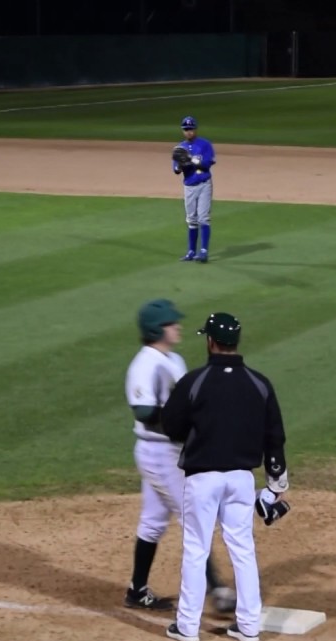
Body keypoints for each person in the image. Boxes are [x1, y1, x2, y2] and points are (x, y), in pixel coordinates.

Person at [160, 312, 291, 641]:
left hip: (203, 479)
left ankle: (187, 627)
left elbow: (170, 427)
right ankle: (248, 627)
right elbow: (274, 438)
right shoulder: (259, 383)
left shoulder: (195, 381)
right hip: (241, 480)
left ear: (210, 341)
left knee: (196, 549)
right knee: (243, 549)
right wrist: (276, 485)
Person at [123, 299, 236, 613]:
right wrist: (184, 425)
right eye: (172, 323)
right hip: (158, 453)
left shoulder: (173, 359)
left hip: (172, 451)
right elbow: (144, 412)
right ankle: (218, 590)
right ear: (156, 329)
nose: (178, 327)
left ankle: (137, 591)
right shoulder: (145, 364)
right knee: (195, 518)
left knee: (153, 523)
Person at [172, 116, 216, 263]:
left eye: (190, 129)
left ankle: (203, 251)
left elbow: (207, 164)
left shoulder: (205, 145)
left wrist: (192, 160)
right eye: (186, 129)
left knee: (203, 218)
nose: (188, 132)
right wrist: (180, 165)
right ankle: (191, 251)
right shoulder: (180, 148)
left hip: (204, 184)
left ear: (195, 129)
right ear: (183, 131)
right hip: (189, 186)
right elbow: (176, 170)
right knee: (191, 219)